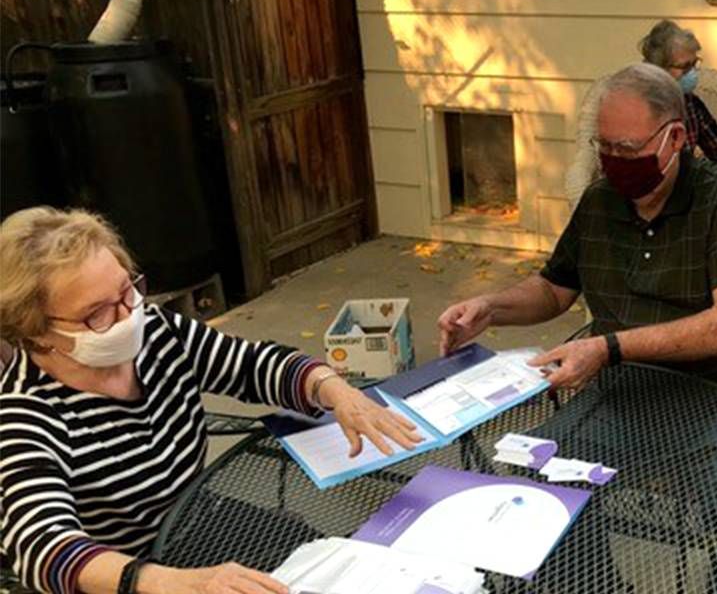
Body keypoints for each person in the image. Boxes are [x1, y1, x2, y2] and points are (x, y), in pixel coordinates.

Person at [0, 207, 423, 594]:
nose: (128, 316)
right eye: (97, 314)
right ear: (34, 328)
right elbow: (45, 549)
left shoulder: (156, 331)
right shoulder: (23, 415)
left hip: (199, 519)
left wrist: (335, 390)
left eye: (129, 290)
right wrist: (172, 582)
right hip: (129, 577)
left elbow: (251, 366)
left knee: (339, 566)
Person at [439, 62, 717, 402]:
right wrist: (491, 308)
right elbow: (554, 291)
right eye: (605, 147)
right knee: (529, 456)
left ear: (675, 138)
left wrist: (608, 348)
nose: (615, 161)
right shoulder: (600, 199)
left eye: (627, 149)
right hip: (618, 396)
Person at [639, 20, 717, 175]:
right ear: (658, 69)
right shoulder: (635, 107)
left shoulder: (690, 103)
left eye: (694, 64)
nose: (692, 73)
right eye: (685, 67)